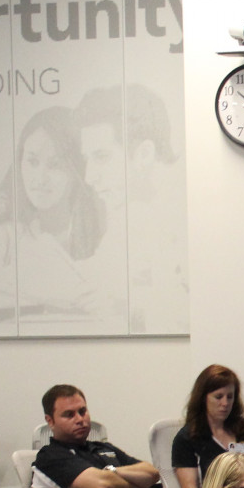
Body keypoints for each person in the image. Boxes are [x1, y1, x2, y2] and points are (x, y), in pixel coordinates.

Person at [0, 106, 122, 327]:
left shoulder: (104, 220)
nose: (39, 178)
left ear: (76, 169)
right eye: (32, 162)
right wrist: (67, 298)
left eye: (55, 165)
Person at [76, 83, 188, 334]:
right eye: (87, 160)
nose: (89, 177)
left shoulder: (189, 220)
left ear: (144, 153)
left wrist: (128, 303)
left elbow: (205, 311)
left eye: (101, 157)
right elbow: (94, 276)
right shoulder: (131, 215)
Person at [32, 384, 160, 488]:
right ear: (50, 421)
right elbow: (102, 487)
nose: (80, 419)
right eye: (69, 415)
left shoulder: (103, 448)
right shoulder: (50, 456)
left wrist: (111, 472)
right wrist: (137, 486)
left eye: (82, 411)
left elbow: (152, 473)